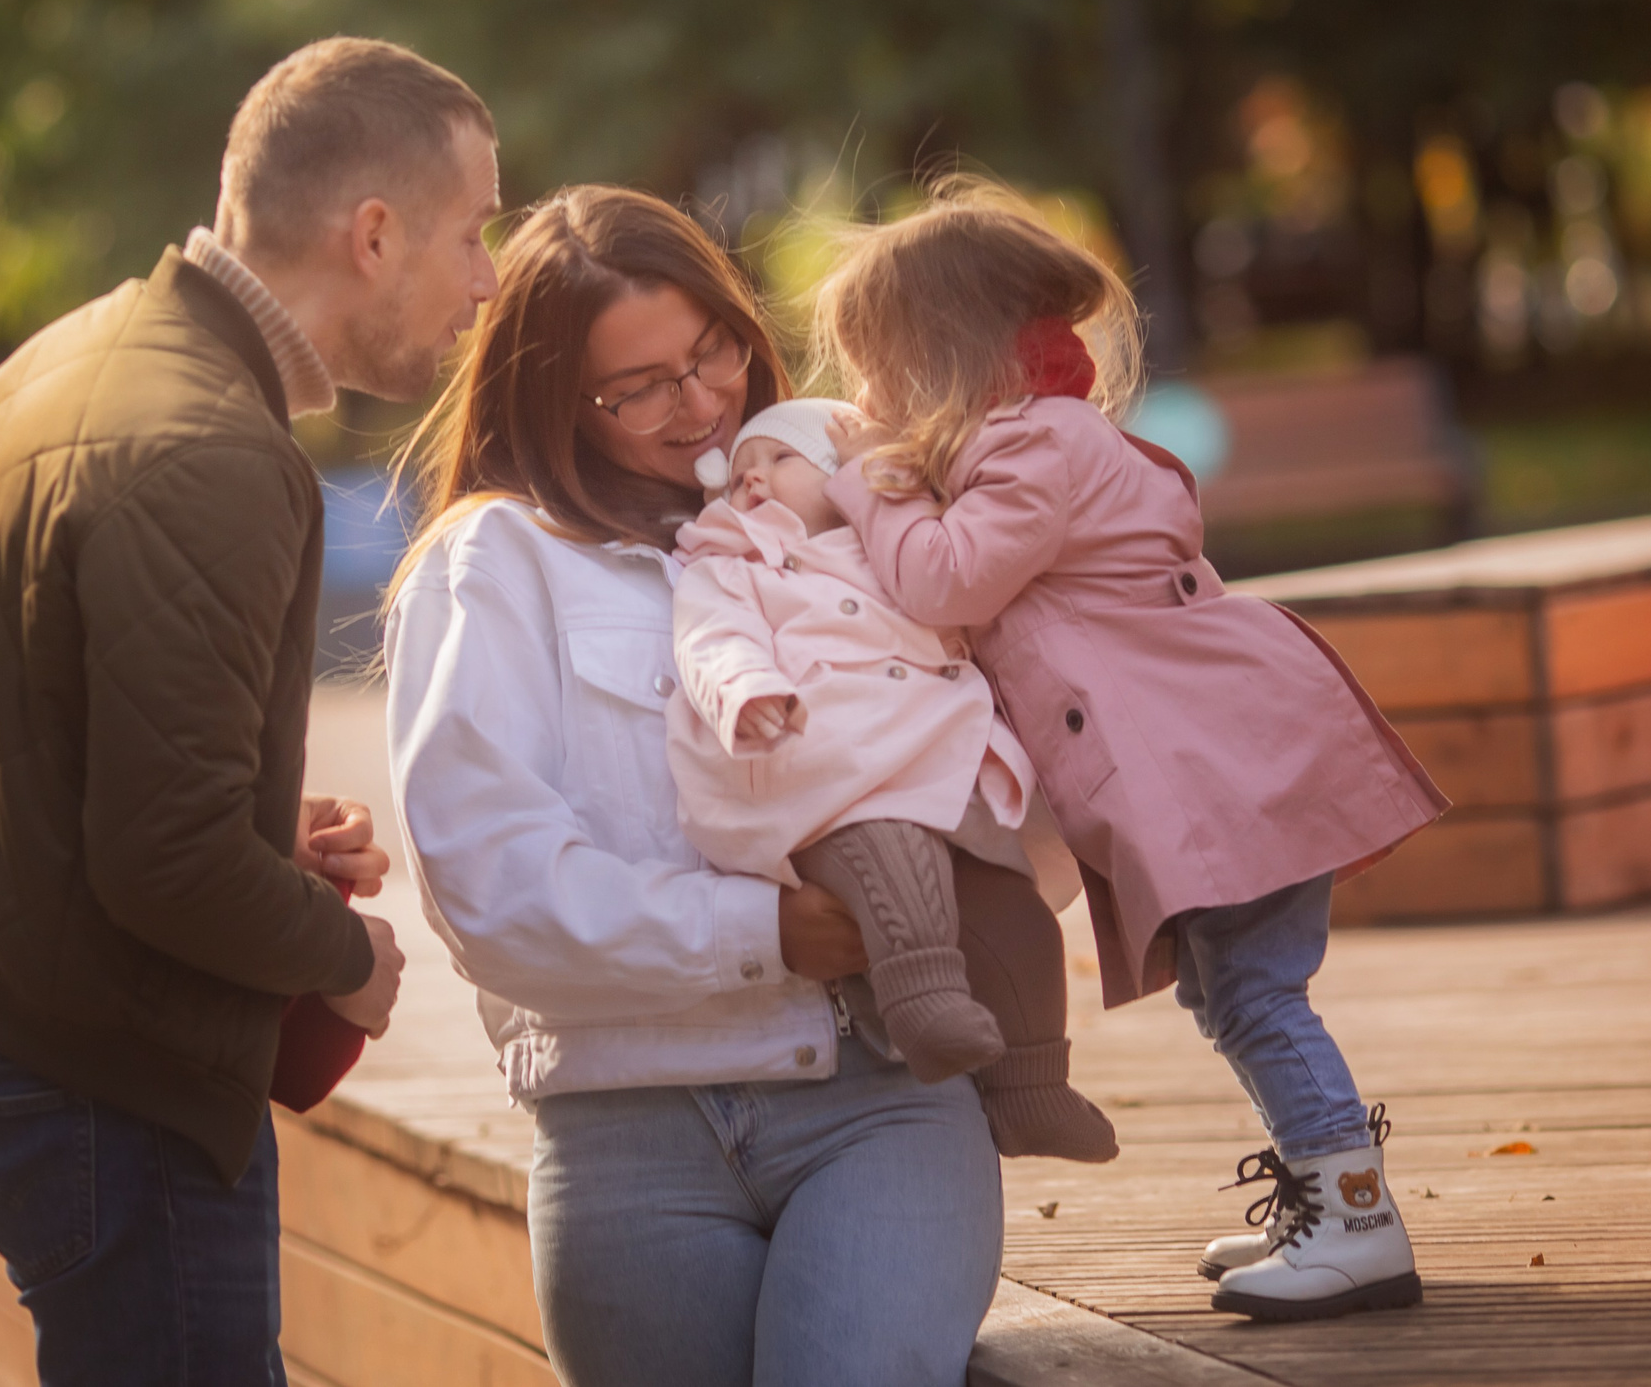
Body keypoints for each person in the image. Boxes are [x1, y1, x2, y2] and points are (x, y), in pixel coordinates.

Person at [0, 36, 501, 1383]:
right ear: (375, 235)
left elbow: (24, 762)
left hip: (21, 1059)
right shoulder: (210, 452)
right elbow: (164, 860)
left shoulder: (51, 370)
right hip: (112, 1102)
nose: (489, 280)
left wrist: (252, 828)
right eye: (473, 233)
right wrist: (347, 963)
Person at [384, 187, 1003, 1387]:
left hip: (874, 1096)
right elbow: (493, 890)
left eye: (713, 345)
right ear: (556, 401)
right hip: (629, 1138)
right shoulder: (495, 562)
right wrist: (767, 930)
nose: (706, 398)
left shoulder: (848, 509)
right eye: (643, 386)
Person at [810, 175, 1451, 1325]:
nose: (864, 395)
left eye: (877, 366)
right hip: (1219, 767)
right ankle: (1320, 1190)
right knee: (1231, 994)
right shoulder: (1035, 441)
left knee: (1257, 996)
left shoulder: (1033, 447)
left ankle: (1354, 1219)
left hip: (1226, 773)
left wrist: (868, 488)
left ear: (945, 353)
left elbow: (942, 580)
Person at [668, 398, 1116, 1161]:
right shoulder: (731, 561)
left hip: (937, 759)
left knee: (1014, 912)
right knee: (891, 856)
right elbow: (710, 637)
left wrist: (886, 482)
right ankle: (922, 1002)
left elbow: (959, 579)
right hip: (829, 773)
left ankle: (1032, 1085)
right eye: (741, 469)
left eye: (780, 460)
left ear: (846, 475)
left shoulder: (894, 545)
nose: (753, 479)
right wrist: (741, 689)